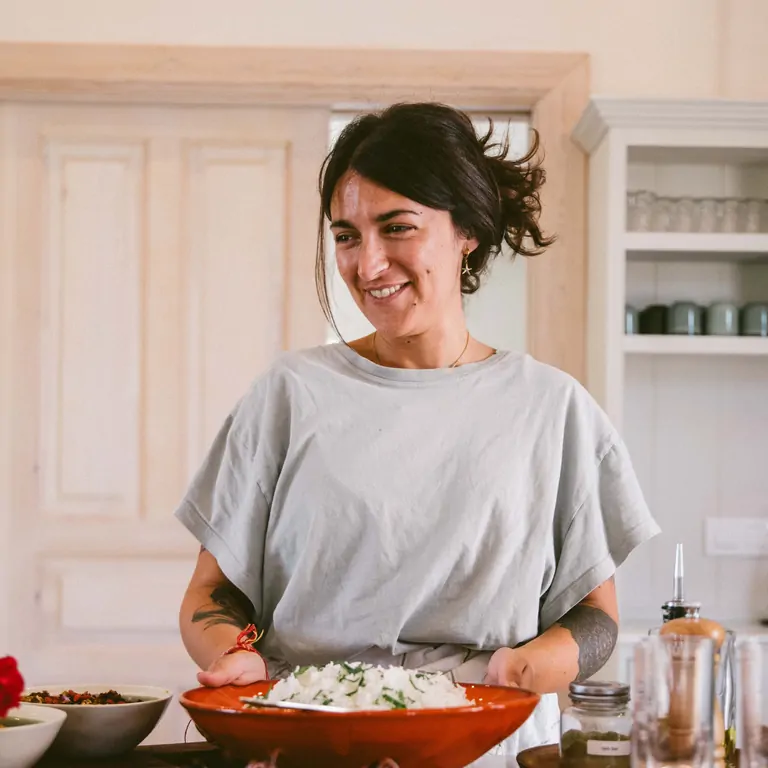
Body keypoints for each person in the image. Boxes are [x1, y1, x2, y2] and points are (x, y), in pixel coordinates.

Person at [176, 102, 660, 765]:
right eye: (346, 235)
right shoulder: (288, 396)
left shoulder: (552, 409)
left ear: (468, 230)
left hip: (489, 744)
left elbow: (596, 616)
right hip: (311, 737)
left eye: (396, 227)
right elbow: (213, 592)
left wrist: (527, 668)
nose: (367, 264)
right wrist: (235, 659)